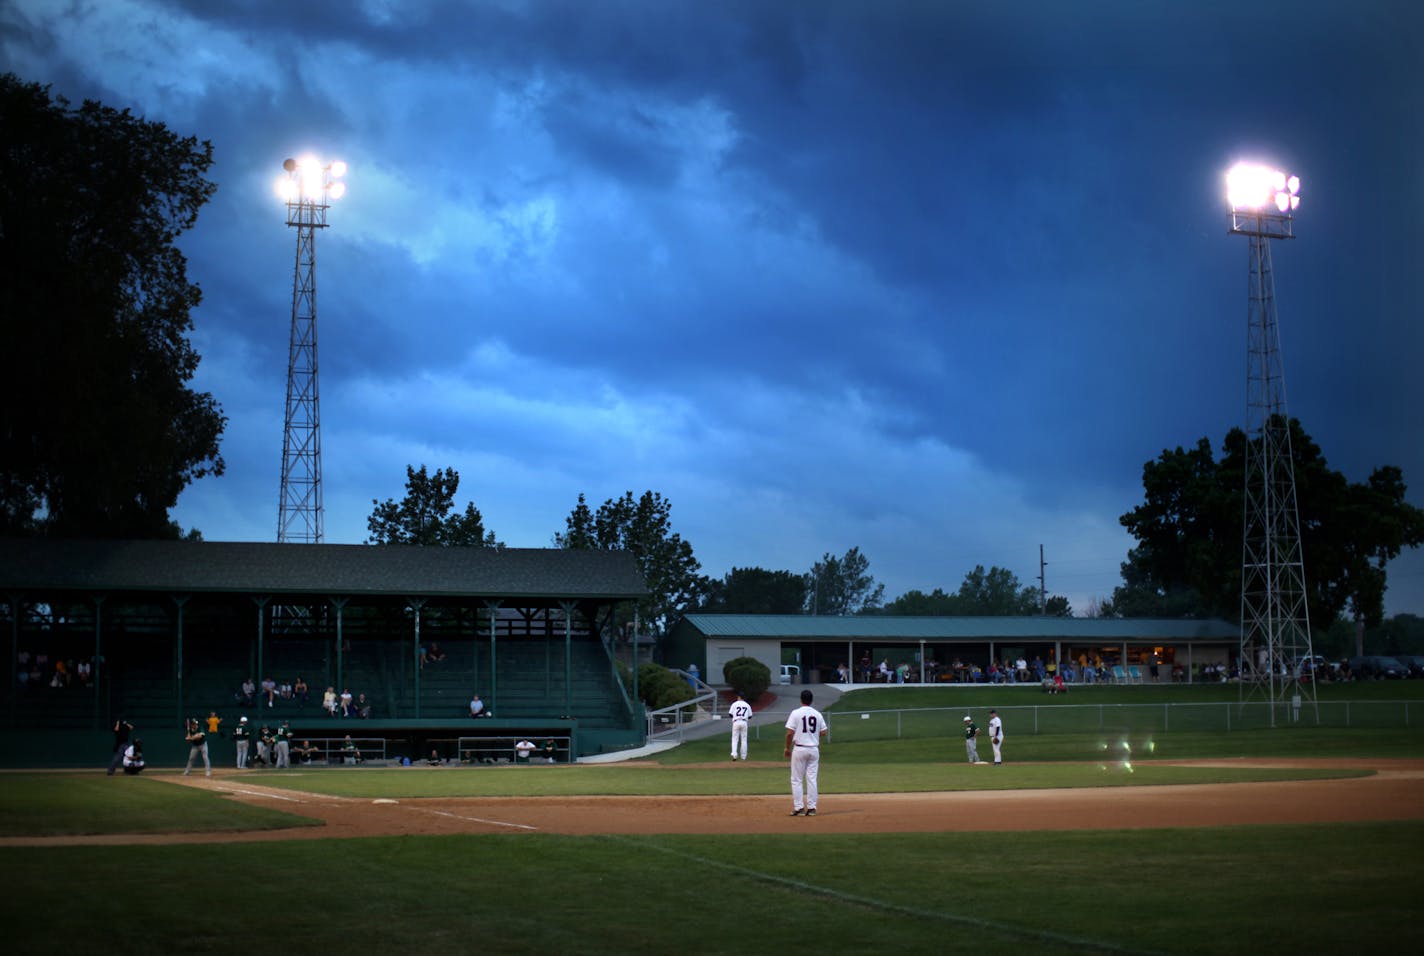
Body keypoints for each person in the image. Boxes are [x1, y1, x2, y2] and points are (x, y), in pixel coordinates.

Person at [783, 688, 827, 817]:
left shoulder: (796, 713)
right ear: (811, 700)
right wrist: (811, 734)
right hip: (814, 749)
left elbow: (790, 733)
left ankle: (799, 808)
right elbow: (823, 732)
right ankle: (812, 808)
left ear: (801, 699)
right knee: (812, 779)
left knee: (796, 779)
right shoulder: (817, 714)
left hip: (800, 748)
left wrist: (787, 748)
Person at [728, 691, 753, 761]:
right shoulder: (747, 705)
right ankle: (743, 757)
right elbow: (750, 716)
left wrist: (735, 717)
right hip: (744, 722)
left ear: (739, 697)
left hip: (736, 722)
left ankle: (734, 755)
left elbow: (730, 714)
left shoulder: (734, 704)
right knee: (744, 740)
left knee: (735, 739)